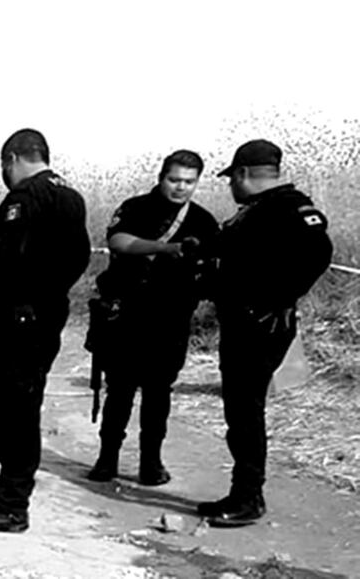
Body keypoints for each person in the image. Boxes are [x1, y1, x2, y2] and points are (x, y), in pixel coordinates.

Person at [0, 128, 91, 533]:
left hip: (13, 328)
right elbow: (79, 258)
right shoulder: (71, 197)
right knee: (19, 408)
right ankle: (8, 497)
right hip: (43, 321)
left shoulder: (25, 198)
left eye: (4, 166)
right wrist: (46, 299)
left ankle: (13, 505)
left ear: (12, 159)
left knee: (12, 413)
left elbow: (4, 264)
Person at [198, 139, 332, 526]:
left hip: (259, 325)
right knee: (239, 408)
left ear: (242, 174)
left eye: (232, 179)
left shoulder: (287, 208)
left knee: (245, 410)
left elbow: (318, 253)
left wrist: (277, 299)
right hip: (245, 321)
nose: (231, 187)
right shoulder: (257, 212)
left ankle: (248, 498)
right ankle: (243, 492)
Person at [85, 150, 220, 486]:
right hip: (127, 313)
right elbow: (118, 240)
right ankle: (107, 459)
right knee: (119, 388)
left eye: (189, 181)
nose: (181, 187)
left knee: (159, 391)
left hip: (171, 316)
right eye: (174, 179)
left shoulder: (203, 220)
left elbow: (213, 264)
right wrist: (168, 249)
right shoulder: (136, 208)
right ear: (161, 177)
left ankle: (151, 462)